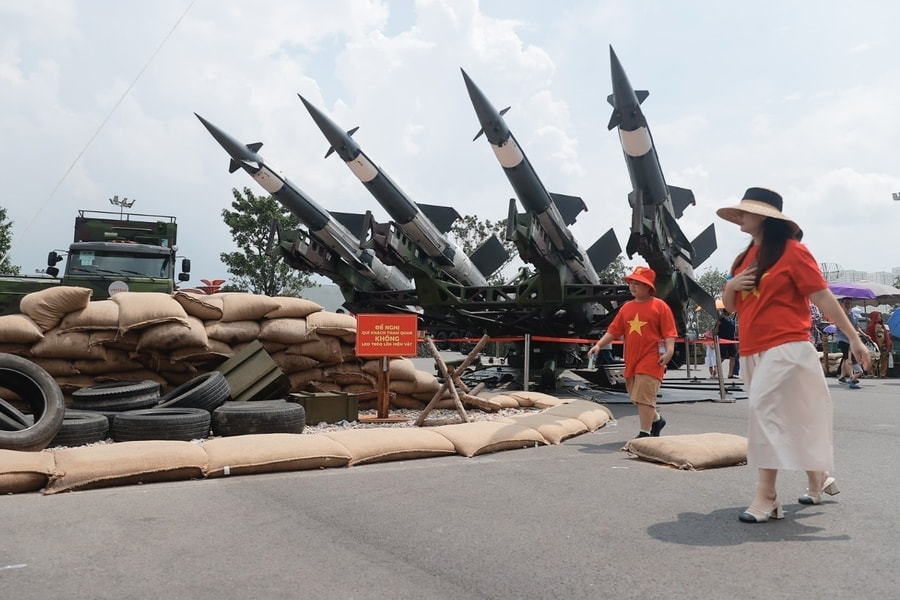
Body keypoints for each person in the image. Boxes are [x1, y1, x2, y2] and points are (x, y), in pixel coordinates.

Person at [717, 187, 869, 524]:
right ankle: (818, 477)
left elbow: (823, 298)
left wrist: (854, 338)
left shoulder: (793, 252)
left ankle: (767, 495)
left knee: (763, 410)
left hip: (788, 346)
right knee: (786, 417)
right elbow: (730, 308)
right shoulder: (742, 260)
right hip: (752, 350)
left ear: (767, 217)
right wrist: (731, 286)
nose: (740, 216)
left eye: (747, 210)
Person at [587, 266, 677, 438]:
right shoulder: (626, 308)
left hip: (652, 358)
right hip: (632, 359)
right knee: (636, 396)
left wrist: (670, 350)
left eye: (638, 283)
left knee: (644, 395)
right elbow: (614, 330)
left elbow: (669, 332)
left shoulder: (660, 306)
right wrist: (598, 345)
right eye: (631, 283)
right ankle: (656, 421)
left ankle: (644, 432)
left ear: (648, 286)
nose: (633, 286)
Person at [834, 297, 865, 389]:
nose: (848, 305)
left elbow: (857, 327)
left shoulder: (853, 315)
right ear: (842, 304)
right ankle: (852, 377)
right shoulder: (840, 315)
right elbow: (841, 327)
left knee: (845, 358)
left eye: (849, 303)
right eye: (846, 303)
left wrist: (865, 335)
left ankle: (842, 376)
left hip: (851, 340)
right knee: (848, 358)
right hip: (843, 339)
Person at [866, 310, 892, 378]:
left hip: (883, 345)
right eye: (878, 316)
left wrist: (887, 343)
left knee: (884, 360)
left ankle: (882, 374)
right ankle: (871, 373)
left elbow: (885, 335)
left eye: (880, 316)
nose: (880, 317)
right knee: (873, 359)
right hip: (875, 345)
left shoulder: (882, 326)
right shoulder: (871, 326)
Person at [713, 309, 738, 378]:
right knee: (722, 357)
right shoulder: (720, 320)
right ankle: (715, 370)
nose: (731, 312)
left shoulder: (732, 320)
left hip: (731, 341)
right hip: (722, 341)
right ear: (726, 311)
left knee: (733, 357)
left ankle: (730, 374)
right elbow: (715, 332)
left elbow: (734, 332)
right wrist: (718, 325)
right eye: (730, 310)